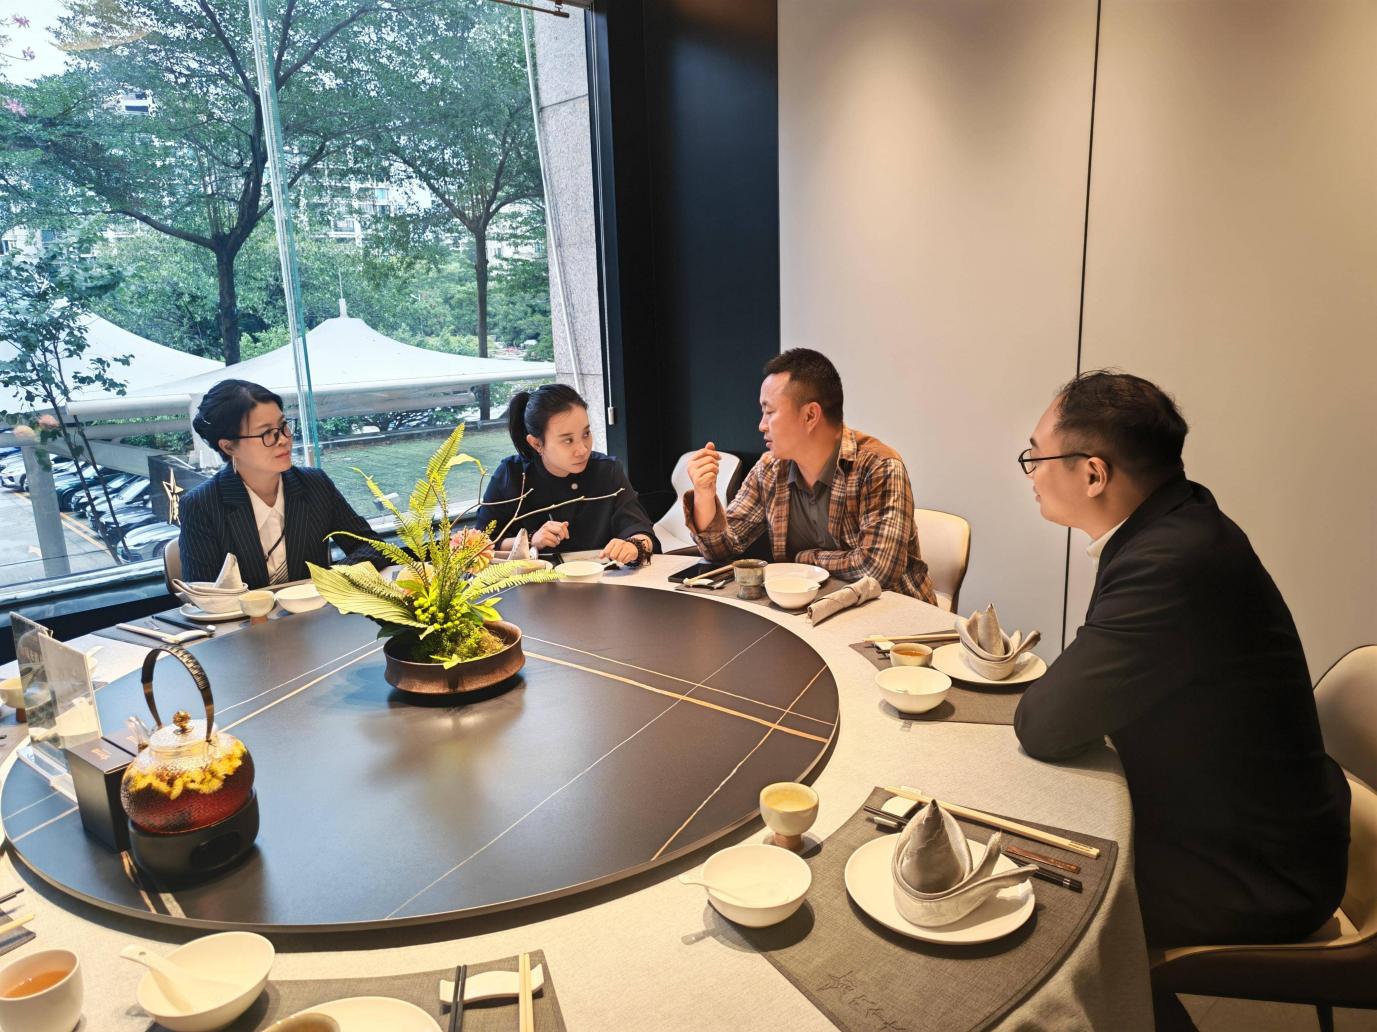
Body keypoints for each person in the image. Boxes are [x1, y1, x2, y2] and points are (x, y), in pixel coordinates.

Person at [1011, 371, 1349, 1019]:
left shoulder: (1169, 562)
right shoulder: (1178, 519)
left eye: (1036, 455)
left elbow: (1046, 722)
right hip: (1249, 812)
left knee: (1033, 902)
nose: (1029, 472)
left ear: (1093, 474)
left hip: (1258, 869)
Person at [683, 348, 936, 604]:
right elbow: (722, 550)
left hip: (895, 615)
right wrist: (704, 496)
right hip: (812, 613)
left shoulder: (878, 466)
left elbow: (877, 570)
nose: (761, 425)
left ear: (810, 415)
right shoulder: (770, 470)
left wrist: (805, 559)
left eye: (769, 412)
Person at [179, 380, 382, 588]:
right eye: (267, 433)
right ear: (229, 447)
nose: (284, 439)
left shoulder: (314, 484)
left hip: (319, 606)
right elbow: (204, 595)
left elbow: (373, 548)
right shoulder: (201, 505)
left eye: (284, 426)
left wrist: (325, 581)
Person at [473, 384, 657, 565]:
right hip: (533, 581)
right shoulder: (512, 475)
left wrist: (634, 546)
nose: (582, 449)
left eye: (586, 434)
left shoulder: (608, 471)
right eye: (568, 440)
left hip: (602, 578)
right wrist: (530, 540)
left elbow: (640, 530)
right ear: (536, 444)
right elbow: (480, 545)